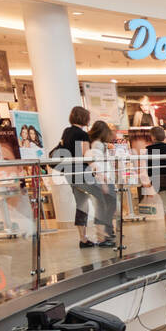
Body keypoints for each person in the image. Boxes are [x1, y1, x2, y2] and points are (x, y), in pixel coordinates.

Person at [57, 105, 95, 248]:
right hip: (82, 172)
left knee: (81, 204)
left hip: (69, 172)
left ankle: (83, 237)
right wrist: (95, 168)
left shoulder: (66, 132)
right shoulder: (82, 134)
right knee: (97, 200)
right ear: (84, 118)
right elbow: (86, 155)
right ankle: (103, 234)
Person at [85, 120, 119, 247]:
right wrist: (103, 180)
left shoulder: (97, 144)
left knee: (107, 205)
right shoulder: (97, 145)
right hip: (103, 179)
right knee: (104, 206)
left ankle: (106, 232)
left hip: (104, 178)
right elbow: (98, 163)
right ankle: (102, 236)